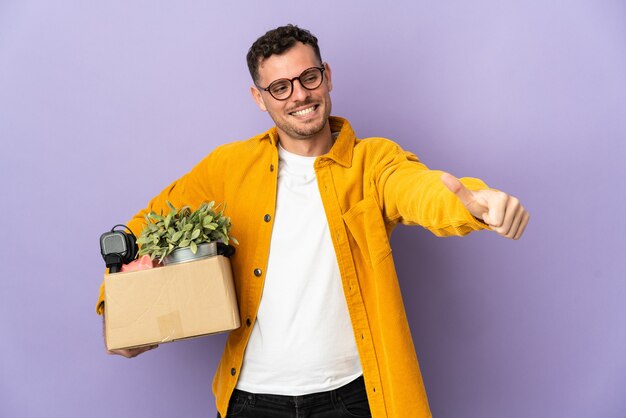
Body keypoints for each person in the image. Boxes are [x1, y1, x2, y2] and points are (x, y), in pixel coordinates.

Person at [96, 24, 529, 418]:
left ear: (327, 75)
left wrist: (473, 206)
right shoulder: (228, 168)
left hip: (354, 398)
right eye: (280, 87)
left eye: (308, 78)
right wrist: (121, 315)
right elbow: (141, 231)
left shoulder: (371, 161)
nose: (300, 96)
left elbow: (416, 189)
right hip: (251, 401)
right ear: (259, 98)